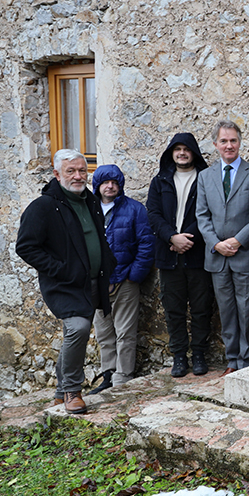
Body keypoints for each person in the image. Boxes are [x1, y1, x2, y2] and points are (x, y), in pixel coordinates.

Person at [16, 149, 115, 414]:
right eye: (71, 171)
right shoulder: (44, 206)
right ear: (57, 174)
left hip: (92, 280)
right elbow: (26, 247)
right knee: (79, 328)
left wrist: (108, 265)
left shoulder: (91, 201)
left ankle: (60, 392)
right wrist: (62, 270)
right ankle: (72, 390)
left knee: (77, 333)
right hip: (63, 284)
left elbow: (97, 237)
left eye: (82, 170)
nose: (78, 176)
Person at [196, 120, 249, 374]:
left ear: (240, 142)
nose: (229, 145)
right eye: (224, 141)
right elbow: (202, 216)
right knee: (226, 311)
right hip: (217, 256)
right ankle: (232, 360)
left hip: (246, 254)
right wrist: (216, 243)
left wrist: (238, 241)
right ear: (215, 144)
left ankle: (248, 362)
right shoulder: (205, 177)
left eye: (233, 140)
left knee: (247, 310)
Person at [146, 132, 214, 378]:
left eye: (186, 149)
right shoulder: (160, 180)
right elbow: (152, 214)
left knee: (201, 307)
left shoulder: (206, 178)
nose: (182, 153)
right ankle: (179, 357)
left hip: (197, 255)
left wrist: (187, 239)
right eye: (177, 149)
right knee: (173, 308)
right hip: (168, 254)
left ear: (194, 152)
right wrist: (171, 238)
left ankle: (198, 354)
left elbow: (209, 213)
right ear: (171, 153)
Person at [87, 164, 155, 393]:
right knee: (104, 332)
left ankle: (122, 378)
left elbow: (146, 243)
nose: (110, 186)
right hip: (97, 283)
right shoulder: (88, 209)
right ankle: (107, 375)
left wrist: (134, 276)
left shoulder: (134, 209)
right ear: (97, 185)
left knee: (125, 332)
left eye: (115, 183)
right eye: (106, 182)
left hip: (125, 280)